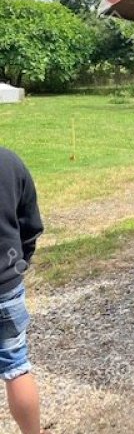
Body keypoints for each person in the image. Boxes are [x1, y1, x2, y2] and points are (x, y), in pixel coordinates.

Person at [0, 146, 43, 434]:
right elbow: (31, 224)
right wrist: (20, 264)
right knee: (16, 368)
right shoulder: (9, 161)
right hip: (6, 284)